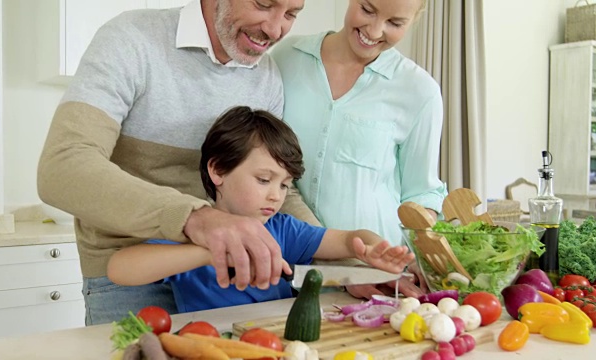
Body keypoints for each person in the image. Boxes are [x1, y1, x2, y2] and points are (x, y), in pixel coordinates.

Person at [37, 0, 317, 325]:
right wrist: (196, 219)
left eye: (291, 14)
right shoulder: (131, 39)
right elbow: (62, 168)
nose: (275, 28)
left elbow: (281, 186)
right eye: (263, 4)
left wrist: (343, 267)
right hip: (131, 273)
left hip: (223, 275)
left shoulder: (265, 76)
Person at [106, 106, 415, 312]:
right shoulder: (193, 232)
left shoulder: (283, 228)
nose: (275, 196)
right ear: (218, 171)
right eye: (264, 179)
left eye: (284, 185)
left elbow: (349, 240)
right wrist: (214, 250)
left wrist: (372, 249)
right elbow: (119, 269)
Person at [270, 0, 447, 299]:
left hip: (375, 275)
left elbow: (421, 193)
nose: (375, 30)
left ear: (414, 21)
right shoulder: (286, 58)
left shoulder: (420, 91)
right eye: (367, 10)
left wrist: (423, 257)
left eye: (395, 23)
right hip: (290, 263)